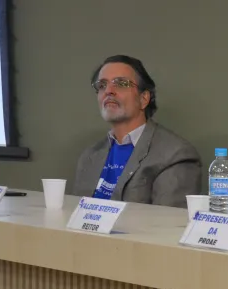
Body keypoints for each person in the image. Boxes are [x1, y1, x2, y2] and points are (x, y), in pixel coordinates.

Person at [73, 55, 201, 208]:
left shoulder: (176, 155)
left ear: (144, 99)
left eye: (121, 83)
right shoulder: (90, 156)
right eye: (102, 85)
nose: (108, 91)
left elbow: (166, 226)